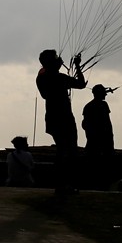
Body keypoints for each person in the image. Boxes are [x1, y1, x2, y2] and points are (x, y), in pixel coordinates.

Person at [36, 49, 87, 195]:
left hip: (52, 117)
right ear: (52, 62)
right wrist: (77, 66)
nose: (60, 59)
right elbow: (81, 84)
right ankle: (66, 184)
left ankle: (61, 184)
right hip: (64, 117)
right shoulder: (58, 78)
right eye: (56, 58)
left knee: (61, 150)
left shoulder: (42, 77)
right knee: (69, 151)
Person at [82, 85, 114, 157]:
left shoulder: (87, 106)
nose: (105, 94)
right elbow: (107, 122)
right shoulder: (103, 105)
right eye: (103, 92)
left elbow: (84, 124)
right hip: (102, 138)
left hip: (92, 138)